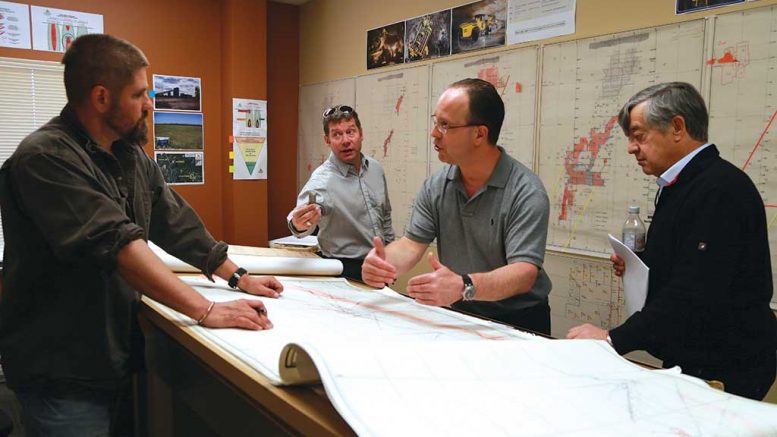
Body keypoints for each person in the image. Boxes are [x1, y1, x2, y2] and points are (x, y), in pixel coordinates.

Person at [0, 34, 284, 436]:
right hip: (61, 372)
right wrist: (206, 309)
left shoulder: (129, 155)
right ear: (101, 98)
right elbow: (117, 243)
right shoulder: (46, 158)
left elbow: (176, 222)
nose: (150, 103)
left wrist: (238, 276)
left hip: (114, 356)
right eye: (140, 94)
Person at [567, 82, 777, 401]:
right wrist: (642, 266)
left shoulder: (719, 190)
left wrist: (611, 340)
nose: (631, 148)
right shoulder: (680, 184)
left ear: (677, 127)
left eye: (639, 136)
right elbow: (687, 263)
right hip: (696, 356)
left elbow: (695, 291)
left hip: (725, 365)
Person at [361, 78, 553, 334]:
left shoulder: (526, 191)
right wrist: (384, 262)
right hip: (464, 313)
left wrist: (464, 285)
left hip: (520, 320)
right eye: (435, 121)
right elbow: (411, 244)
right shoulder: (437, 186)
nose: (434, 133)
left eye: (445, 125)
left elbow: (524, 273)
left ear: (479, 134)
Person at [287, 105, 394, 281]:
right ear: (327, 140)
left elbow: (385, 216)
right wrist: (298, 224)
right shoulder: (322, 180)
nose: (345, 140)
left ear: (361, 133)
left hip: (379, 266)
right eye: (336, 134)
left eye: (350, 132)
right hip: (343, 270)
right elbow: (298, 221)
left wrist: (391, 256)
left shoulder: (375, 169)